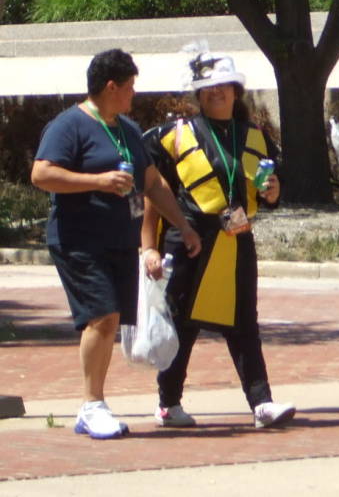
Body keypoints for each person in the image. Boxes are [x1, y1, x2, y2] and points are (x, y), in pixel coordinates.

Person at [31, 48, 202, 440]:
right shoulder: (68, 125)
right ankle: (92, 405)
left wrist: (183, 226)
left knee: (109, 321)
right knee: (102, 315)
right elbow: (41, 174)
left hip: (118, 239)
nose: (133, 95)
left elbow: (153, 182)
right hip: (78, 240)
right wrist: (97, 181)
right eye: (129, 88)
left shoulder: (125, 128)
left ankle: (95, 404)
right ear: (111, 87)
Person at [141, 49, 296, 429]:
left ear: (235, 90)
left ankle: (261, 403)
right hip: (189, 238)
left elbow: (271, 191)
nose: (215, 94)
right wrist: (148, 245)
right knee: (183, 323)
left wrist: (273, 193)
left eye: (222, 87)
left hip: (237, 240)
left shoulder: (256, 137)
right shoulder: (172, 137)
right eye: (207, 88)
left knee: (244, 323)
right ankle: (168, 403)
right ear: (198, 93)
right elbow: (152, 191)